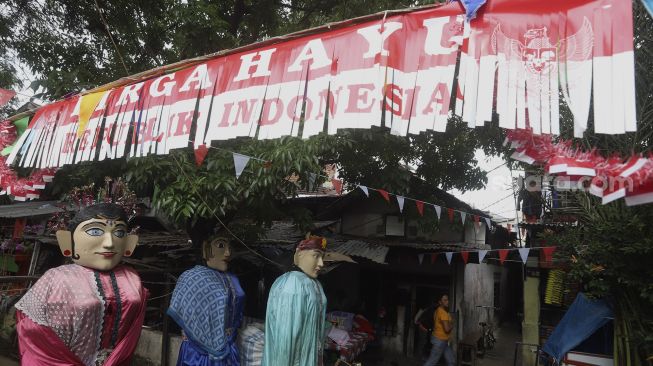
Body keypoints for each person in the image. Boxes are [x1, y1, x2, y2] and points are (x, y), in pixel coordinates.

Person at [15, 203, 146, 366]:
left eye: (119, 232)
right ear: (67, 240)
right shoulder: (57, 278)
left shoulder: (130, 277)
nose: (109, 243)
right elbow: (32, 331)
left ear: (129, 242)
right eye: (95, 231)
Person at [167, 236, 245, 366]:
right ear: (205, 248)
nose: (228, 253)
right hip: (197, 355)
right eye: (220, 245)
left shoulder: (233, 279)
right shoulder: (191, 279)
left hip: (229, 351)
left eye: (229, 247)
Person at [262, 236, 329, 366]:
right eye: (316, 256)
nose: (321, 263)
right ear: (299, 255)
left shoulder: (315, 283)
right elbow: (285, 339)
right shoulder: (292, 283)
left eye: (322, 257)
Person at [423, 294, 455, 366]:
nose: (447, 302)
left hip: (443, 340)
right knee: (431, 362)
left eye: (447, 300)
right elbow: (447, 329)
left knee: (451, 361)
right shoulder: (443, 313)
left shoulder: (438, 310)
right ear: (440, 302)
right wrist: (452, 324)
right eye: (445, 300)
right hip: (440, 341)